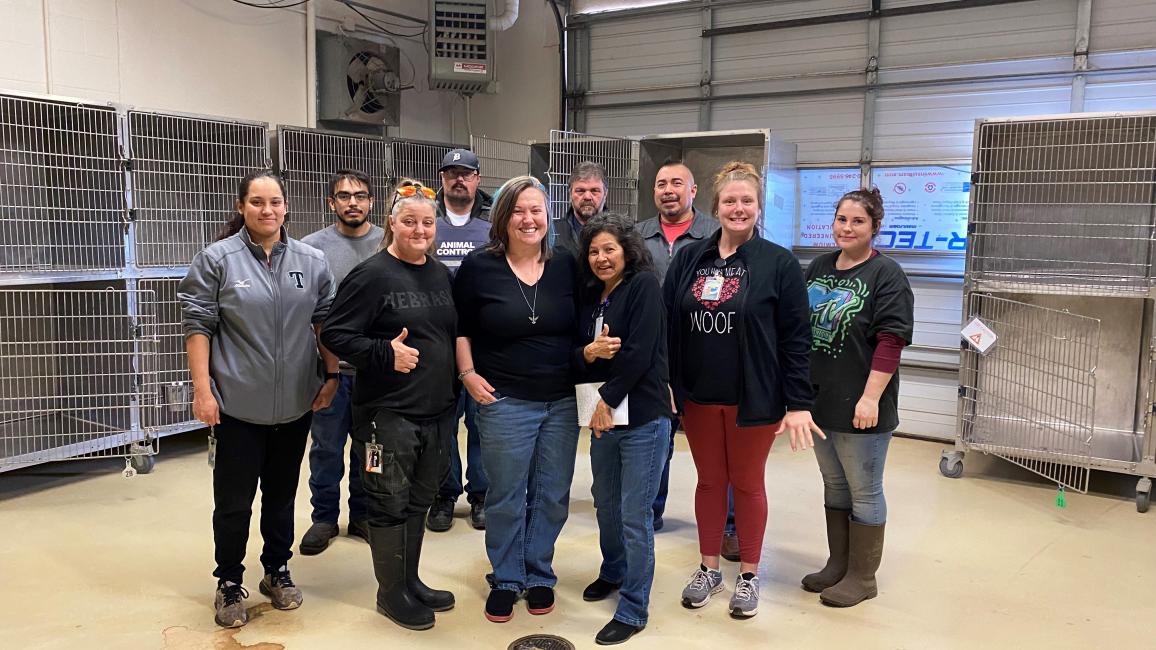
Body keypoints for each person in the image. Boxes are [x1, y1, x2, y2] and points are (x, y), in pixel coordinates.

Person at [178, 170, 338, 629]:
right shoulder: (217, 260)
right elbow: (198, 327)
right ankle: (229, 580)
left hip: (295, 403)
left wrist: (330, 374)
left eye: (275, 202)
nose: (267, 211)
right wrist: (203, 390)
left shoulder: (311, 260)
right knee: (233, 501)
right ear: (241, 206)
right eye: (257, 202)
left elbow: (323, 321)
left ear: (287, 206)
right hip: (236, 406)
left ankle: (276, 569)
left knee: (282, 494)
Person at [664, 161, 823, 619]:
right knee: (710, 482)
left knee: (748, 484)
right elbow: (670, 322)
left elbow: (796, 338)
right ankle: (709, 567)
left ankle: (749, 574)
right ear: (716, 208)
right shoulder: (691, 259)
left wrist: (798, 403)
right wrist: (669, 384)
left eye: (747, 201)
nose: (738, 208)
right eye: (730, 201)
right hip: (698, 396)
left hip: (754, 396)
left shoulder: (779, 263)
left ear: (758, 207)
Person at [320, 183, 459, 630]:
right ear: (392, 225)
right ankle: (390, 592)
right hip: (388, 415)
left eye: (427, 222)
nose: (419, 229)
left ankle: (410, 580)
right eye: (409, 221)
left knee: (418, 500)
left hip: (435, 412)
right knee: (386, 503)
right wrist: (384, 352)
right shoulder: (372, 274)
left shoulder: (439, 274)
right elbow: (335, 335)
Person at [453, 175, 580, 623]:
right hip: (504, 399)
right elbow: (461, 327)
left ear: (548, 216)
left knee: (551, 494)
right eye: (519, 211)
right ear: (503, 218)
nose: (529, 219)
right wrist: (467, 374)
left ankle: (539, 572)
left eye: (537, 210)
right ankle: (507, 577)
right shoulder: (479, 267)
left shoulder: (567, 264)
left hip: (561, 400)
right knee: (507, 495)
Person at [801, 188, 914, 608]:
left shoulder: (886, 274)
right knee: (834, 484)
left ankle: (863, 578)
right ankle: (838, 564)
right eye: (841, 219)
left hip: (861, 404)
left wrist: (869, 398)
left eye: (858, 221)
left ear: (875, 227)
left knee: (864, 490)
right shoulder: (818, 267)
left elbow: (891, 340)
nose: (847, 228)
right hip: (820, 400)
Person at [573, 213, 670, 646]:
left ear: (627, 250)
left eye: (609, 249)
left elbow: (640, 352)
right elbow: (580, 354)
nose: (601, 258)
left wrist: (605, 401)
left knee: (634, 514)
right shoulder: (593, 296)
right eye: (594, 251)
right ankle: (613, 570)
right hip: (604, 417)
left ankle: (634, 606)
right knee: (605, 502)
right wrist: (589, 353)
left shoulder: (643, 287)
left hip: (642, 419)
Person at [635, 160, 737, 560]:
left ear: (693, 191)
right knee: (656, 439)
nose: (668, 189)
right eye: (661, 184)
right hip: (652, 355)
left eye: (678, 182)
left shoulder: (717, 232)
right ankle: (649, 512)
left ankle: (729, 527)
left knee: (717, 450)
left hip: (706, 354)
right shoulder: (637, 235)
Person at [298, 169, 384, 555]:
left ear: (371, 201)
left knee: (371, 450)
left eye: (361, 195)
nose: (353, 202)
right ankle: (324, 517)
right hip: (329, 371)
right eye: (344, 196)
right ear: (331, 203)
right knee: (326, 448)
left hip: (377, 371)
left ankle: (363, 515)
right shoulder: (311, 249)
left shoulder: (388, 241)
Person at [427, 148, 492, 533]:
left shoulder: (489, 230)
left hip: (482, 345)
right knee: (443, 426)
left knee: (483, 422)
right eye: (451, 173)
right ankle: (445, 494)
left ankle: (482, 494)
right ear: (442, 179)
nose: (459, 180)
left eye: (466, 173)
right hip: (437, 345)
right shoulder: (429, 225)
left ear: (477, 179)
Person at [553, 160, 609, 258]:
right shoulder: (553, 232)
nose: (587, 197)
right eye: (580, 191)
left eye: (594, 191)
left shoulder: (622, 232)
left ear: (605, 194)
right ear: (570, 194)